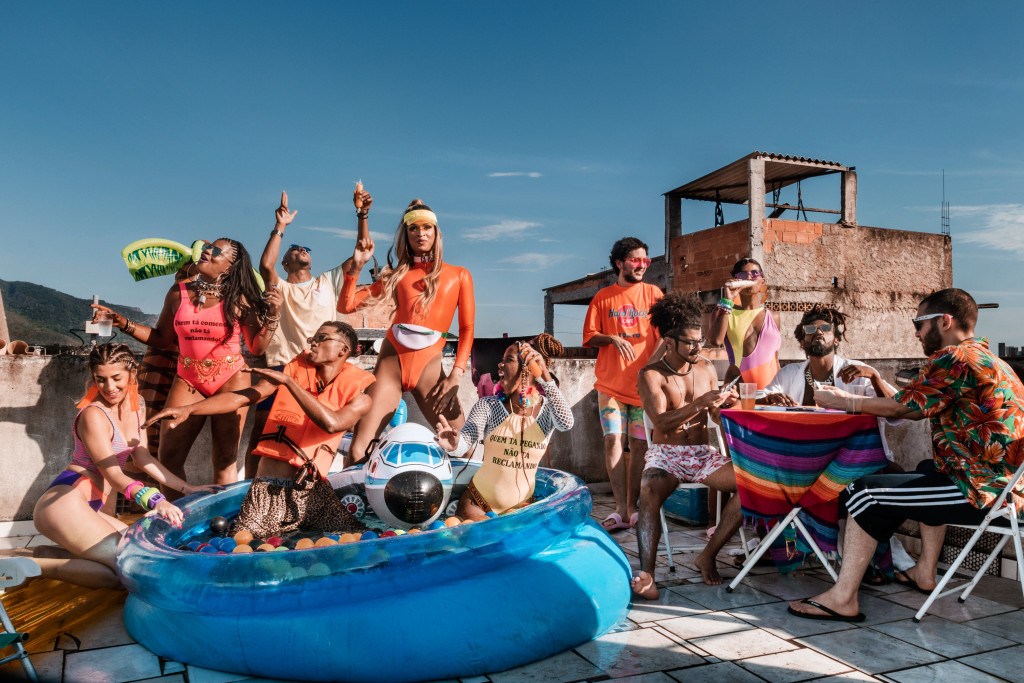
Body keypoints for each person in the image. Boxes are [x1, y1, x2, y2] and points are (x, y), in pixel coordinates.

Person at [789, 288, 1024, 621]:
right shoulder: (992, 360)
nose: (915, 332)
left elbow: (907, 409)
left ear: (945, 321)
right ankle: (924, 572)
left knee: (863, 491)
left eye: (919, 323)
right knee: (928, 467)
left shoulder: (954, 358)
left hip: (982, 491)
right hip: (1007, 485)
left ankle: (843, 598)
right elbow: (915, 404)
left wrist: (843, 401)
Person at [146, 322, 373, 538]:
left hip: (313, 493)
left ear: (343, 350)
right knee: (244, 545)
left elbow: (333, 423)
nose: (313, 342)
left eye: (322, 338)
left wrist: (289, 383)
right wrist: (190, 409)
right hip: (267, 490)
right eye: (313, 338)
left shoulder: (362, 398)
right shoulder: (291, 373)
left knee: (359, 539)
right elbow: (240, 398)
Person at [93, 238, 281, 496]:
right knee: (168, 457)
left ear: (230, 266)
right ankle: (177, 515)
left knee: (225, 458)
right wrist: (121, 321)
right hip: (188, 378)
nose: (207, 251)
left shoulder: (240, 298)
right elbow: (161, 338)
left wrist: (273, 314)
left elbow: (257, 348)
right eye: (208, 247)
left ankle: (221, 515)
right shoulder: (177, 292)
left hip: (231, 378)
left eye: (216, 251)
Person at [31, 344, 219, 589]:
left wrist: (187, 488)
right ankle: (26, 566)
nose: (109, 387)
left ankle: (46, 554)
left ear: (133, 372)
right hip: (63, 504)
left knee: (140, 553)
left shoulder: (136, 402)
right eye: (101, 379)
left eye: (116, 378)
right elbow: (114, 475)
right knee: (127, 573)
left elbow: (142, 458)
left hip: (89, 505)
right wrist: (156, 500)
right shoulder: (93, 415)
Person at [337, 199, 474, 465]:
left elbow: (467, 329)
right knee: (358, 452)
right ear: (406, 234)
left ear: (436, 232)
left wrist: (456, 375)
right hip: (391, 366)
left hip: (430, 371)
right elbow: (346, 305)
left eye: (426, 227)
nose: (420, 233)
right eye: (413, 228)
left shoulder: (459, 275)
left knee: (464, 449)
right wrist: (356, 267)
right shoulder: (396, 275)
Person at [242, 190, 367, 477]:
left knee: (311, 437)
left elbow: (360, 253)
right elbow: (265, 265)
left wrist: (362, 214)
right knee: (262, 436)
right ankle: (248, 490)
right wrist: (281, 226)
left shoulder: (327, 281)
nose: (302, 249)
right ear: (285, 263)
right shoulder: (280, 286)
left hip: (322, 370)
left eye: (306, 248)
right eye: (294, 248)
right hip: (283, 367)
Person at [632, 291, 742, 595]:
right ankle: (647, 576)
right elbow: (661, 422)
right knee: (648, 489)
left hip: (703, 453)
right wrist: (700, 403)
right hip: (666, 454)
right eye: (690, 342)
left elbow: (715, 416)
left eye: (700, 341)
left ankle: (707, 556)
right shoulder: (651, 375)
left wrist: (726, 405)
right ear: (669, 342)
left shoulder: (707, 369)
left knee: (751, 485)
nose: (698, 347)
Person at [435, 341, 573, 519]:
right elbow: (465, 441)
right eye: (502, 360)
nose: (500, 365)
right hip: (477, 503)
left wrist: (544, 375)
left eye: (508, 360)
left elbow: (566, 423)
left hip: (521, 509)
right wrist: (454, 445)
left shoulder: (547, 411)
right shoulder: (488, 405)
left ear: (528, 369)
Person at [583, 237, 664, 532]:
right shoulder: (602, 297)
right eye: (635, 260)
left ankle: (633, 509)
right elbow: (589, 336)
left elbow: (666, 337)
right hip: (610, 387)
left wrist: (650, 369)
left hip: (643, 390)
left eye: (646, 260)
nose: (642, 265)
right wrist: (612, 338)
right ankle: (619, 510)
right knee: (613, 441)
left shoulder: (654, 294)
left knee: (639, 446)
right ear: (619, 263)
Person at [761, 305, 902, 470]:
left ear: (836, 339)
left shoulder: (859, 371)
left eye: (826, 328)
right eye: (810, 329)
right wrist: (768, 399)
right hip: (803, 459)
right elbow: (757, 398)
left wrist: (874, 377)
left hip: (854, 460)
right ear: (802, 341)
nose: (818, 332)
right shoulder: (788, 374)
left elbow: (896, 410)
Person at [708, 257, 781, 390]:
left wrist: (783, 386)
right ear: (735, 280)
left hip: (772, 392)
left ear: (762, 280)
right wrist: (728, 301)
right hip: (738, 390)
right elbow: (716, 340)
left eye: (754, 273)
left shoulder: (773, 317)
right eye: (742, 274)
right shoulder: (724, 311)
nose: (748, 277)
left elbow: (775, 358)